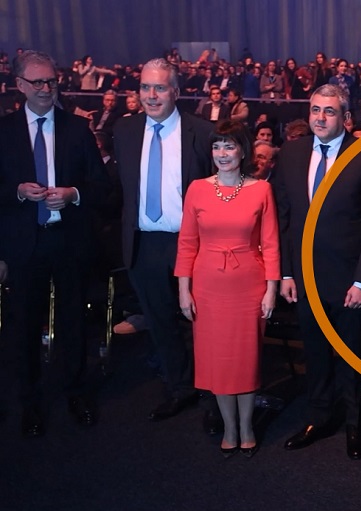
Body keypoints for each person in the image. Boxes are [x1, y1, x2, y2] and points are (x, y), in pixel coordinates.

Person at [275, 84, 361, 460]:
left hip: (349, 282)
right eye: (315, 110)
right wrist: (287, 273)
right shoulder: (290, 154)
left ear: (346, 118)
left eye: (329, 111)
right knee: (316, 352)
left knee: (352, 355)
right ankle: (319, 417)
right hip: (304, 278)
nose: (320, 118)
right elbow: (285, 218)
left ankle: (355, 424)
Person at [0, 49, 110, 437]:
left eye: (52, 81)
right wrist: (15, 192)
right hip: (24, 245)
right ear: (19, 86)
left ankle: (77, 392)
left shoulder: (77, 129)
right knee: (23, 327)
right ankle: (30, 401)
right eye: (38, 82)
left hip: (69, 241)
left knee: (73, 322)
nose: (47, 89)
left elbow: (103, 187)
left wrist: (74, 194)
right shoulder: (4, 131)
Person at [113, 58, 219, 430]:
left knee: (204, 322)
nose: (151, 95)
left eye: (159, 88)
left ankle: (214, 394)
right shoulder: (123, 132)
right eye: (145, 87)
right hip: (143, 244)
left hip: (192, 244)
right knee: (160, 322)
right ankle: (180, 388)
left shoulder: (203, 133)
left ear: (175, 91)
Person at [174, 120, 280, 458]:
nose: (222, 153)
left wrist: (271, 289)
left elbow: (272, 244)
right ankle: (229, 427)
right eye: (217, 146)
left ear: (243, 150)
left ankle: (246, 426)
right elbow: (187, 243)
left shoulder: (262, 189)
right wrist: (183, 290)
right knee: (218, 361)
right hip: (206, 287)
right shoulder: (197, 189)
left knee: (244, 361)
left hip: (249, 285)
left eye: (229, 146)